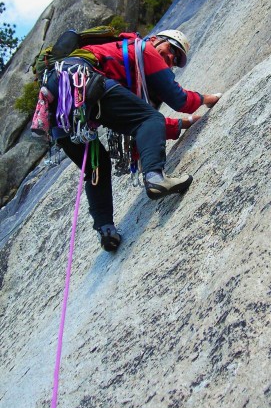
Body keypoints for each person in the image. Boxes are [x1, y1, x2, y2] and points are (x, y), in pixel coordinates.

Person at [43, 29, 220, 252]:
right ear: (155, 40)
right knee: (149, 118)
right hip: (81, 80)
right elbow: (177, 100)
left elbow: (141, 124)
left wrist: (184, 124)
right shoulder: (144, 49)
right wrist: (207, 99)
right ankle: (155, 177)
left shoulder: (126, 73)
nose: (172, 59)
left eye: (176, 60)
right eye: (172, 50)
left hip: (57, 105)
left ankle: (106, 230)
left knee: (97, 166)